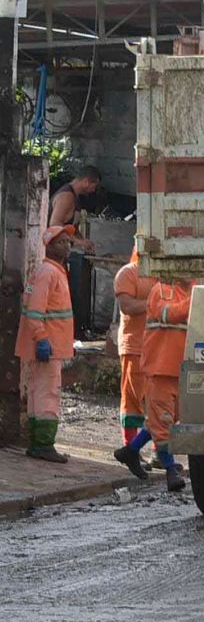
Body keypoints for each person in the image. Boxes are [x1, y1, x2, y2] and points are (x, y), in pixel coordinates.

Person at [114, 277, 194, 491]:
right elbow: (169, 313)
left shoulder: (192, 291)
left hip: (181, 369)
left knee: (164, 419)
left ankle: (131, 451)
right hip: (160, 367)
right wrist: (197, 301)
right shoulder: (161, 290)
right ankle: (170, 470)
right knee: (163, 421)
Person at [16, 226, 77, 463]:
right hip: (47, 346)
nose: (67, 246)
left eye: (68, 242)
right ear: (49, 246)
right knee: (47, 394)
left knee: (37, 393)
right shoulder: (48, 273)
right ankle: (43, 445)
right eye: (62, 242)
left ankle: (38, 443)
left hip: (46, 345)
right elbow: (35, 311)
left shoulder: (47, 271)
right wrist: (42, 338)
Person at [48, 166, 100, 338]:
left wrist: (81, 239)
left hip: (61, 256)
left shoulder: (75, 198)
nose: (94, 190)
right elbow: (55, 225)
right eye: (94, 185)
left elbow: (69, 227)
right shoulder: (66, 196)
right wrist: (78, 241)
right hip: (50, 256)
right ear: (86, 181)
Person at [112, 248, 155, 449]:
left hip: (160, 349)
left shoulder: (162, 275)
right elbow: (127, 306)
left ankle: (159, 450)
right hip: (135, 346)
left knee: (160, 401)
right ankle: (130, 446)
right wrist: (155, 304)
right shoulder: (128, 273)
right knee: (133, 399)